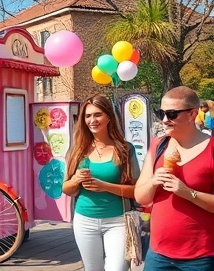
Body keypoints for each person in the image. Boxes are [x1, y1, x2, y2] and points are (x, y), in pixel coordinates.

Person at [135, 86, 214, 270]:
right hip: (158, 255)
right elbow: (140, 197)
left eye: (172, 114)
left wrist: (188, 193)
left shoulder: (210, 149)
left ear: (192, 114)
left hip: (201, 257)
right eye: (160, 112)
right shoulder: (158, 145)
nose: (164, 120)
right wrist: (153, 182)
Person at [62, 94, 139, 271]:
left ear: (109, 117)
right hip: (84, 221)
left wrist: (105, 186)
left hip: (118, 221)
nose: (92, 120)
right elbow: (66, 189)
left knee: (117, 268)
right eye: (87, 116)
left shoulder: (125, 149)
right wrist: (75, 180)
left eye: (97, 115)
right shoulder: (77, 150)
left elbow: (136, 191)